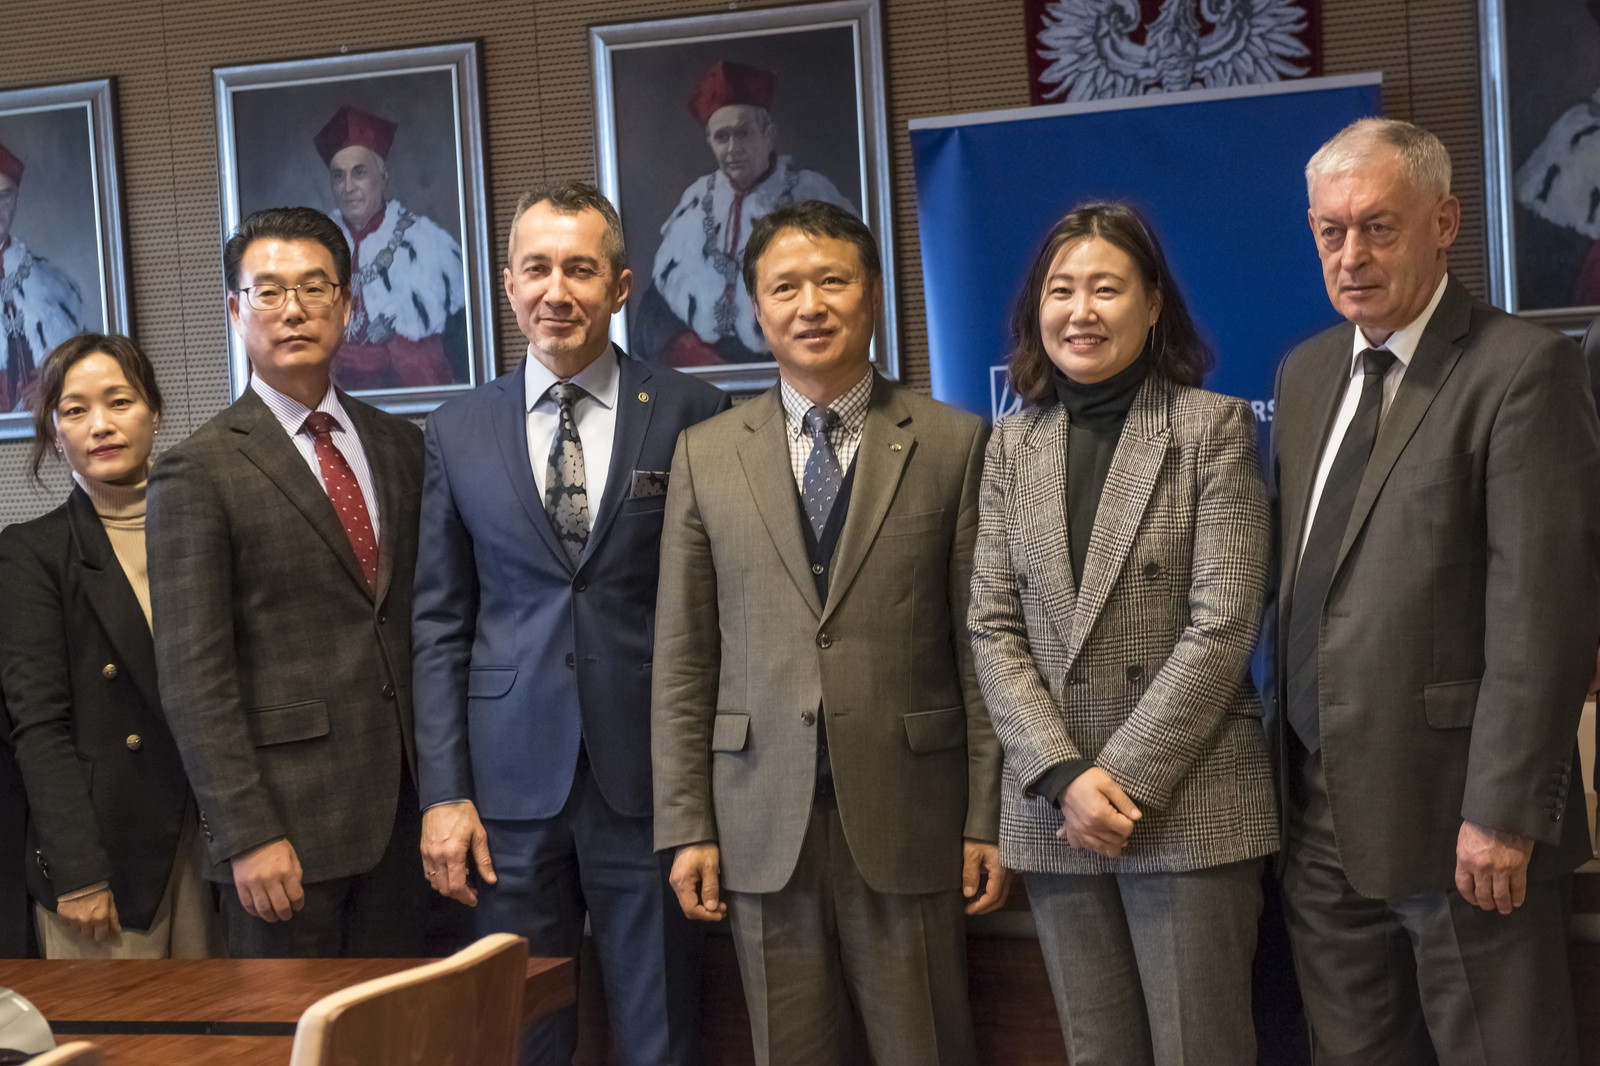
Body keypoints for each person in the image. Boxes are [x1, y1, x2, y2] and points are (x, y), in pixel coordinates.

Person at [1269, 118, 1600, 1065]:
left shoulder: (1522, 367)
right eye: (1331, 231)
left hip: (1464, 823)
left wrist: (1503, 812)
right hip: (1318, 821)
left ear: (1444, 223)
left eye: (1378, 227)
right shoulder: (1305, 373)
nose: (1352, 256)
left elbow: (1542, 612)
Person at [652, 199, 1008, 1066]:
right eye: (785, 287)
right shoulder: (706, 453)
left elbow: (984, 647)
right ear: (755, 308)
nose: (810, 305)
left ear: (873, 294)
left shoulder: (955, 443)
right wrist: (687, 825)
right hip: (758, 819)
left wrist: (987, 816)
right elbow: (684, 657)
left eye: (832, 281)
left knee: (926, 1049)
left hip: (912, 815)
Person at [412, 180, 726, 1065]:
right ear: (508, 284)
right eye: (538, 268)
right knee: (522, 1033)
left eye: (581, 270)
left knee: (661, 1034)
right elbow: (440, 622)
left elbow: (718, 611)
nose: (558, 291)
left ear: (620, 286)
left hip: (648, 783)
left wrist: (705, 795)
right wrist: (444, 793)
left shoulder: (695, 413)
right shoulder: (455, 429)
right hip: (504, 793)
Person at [966, 203, 1277, 1065]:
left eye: (1106, 289)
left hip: (1187, 806)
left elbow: (1224, 624)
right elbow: (992, 625)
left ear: (1153, 305)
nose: (1081, 311)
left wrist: (1119, 782)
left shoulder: (1212, 427)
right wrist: (1064, 777)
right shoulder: (1010, 445)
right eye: (1061, 290)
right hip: (1056, 811)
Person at [147, 206, 430, 958]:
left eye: (313, 287)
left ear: (347, 304)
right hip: (286, 836)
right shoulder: (196, 471)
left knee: (414, 1018)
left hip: (410, 818)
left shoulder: (402, 446)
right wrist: (246, 833)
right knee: (291, 1026)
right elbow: (193, 678)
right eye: (268, 291)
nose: (293, 309)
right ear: (235, 309)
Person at [0, 333, 217, 959]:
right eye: (75, 410)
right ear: (54, 430)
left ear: (154, 411)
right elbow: (39, 727)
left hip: (214, 843)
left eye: (119, 402)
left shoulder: (207, 528)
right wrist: (78, 873)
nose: (100, 425)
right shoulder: (32, 553)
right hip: (108, 857)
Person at [631, 60, 856, 367]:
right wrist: (687, 352)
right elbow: (656, 308)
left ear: (769, 135)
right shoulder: (696, 199)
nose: (733, 148)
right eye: (722, 137)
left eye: (744, 133)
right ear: (710, 142)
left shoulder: (813, 193)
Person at [314, 105, 467, 391]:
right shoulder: (311, 247)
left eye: (359, 173)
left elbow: (453, 361)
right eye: (338, 176)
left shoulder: (426, 244)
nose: (348, 187)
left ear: (383, 178)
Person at [0, 140, 84, 413]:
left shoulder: (51, 283)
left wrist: (55, 386)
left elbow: (84, 366)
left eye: (5, 196)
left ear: (16, 200)